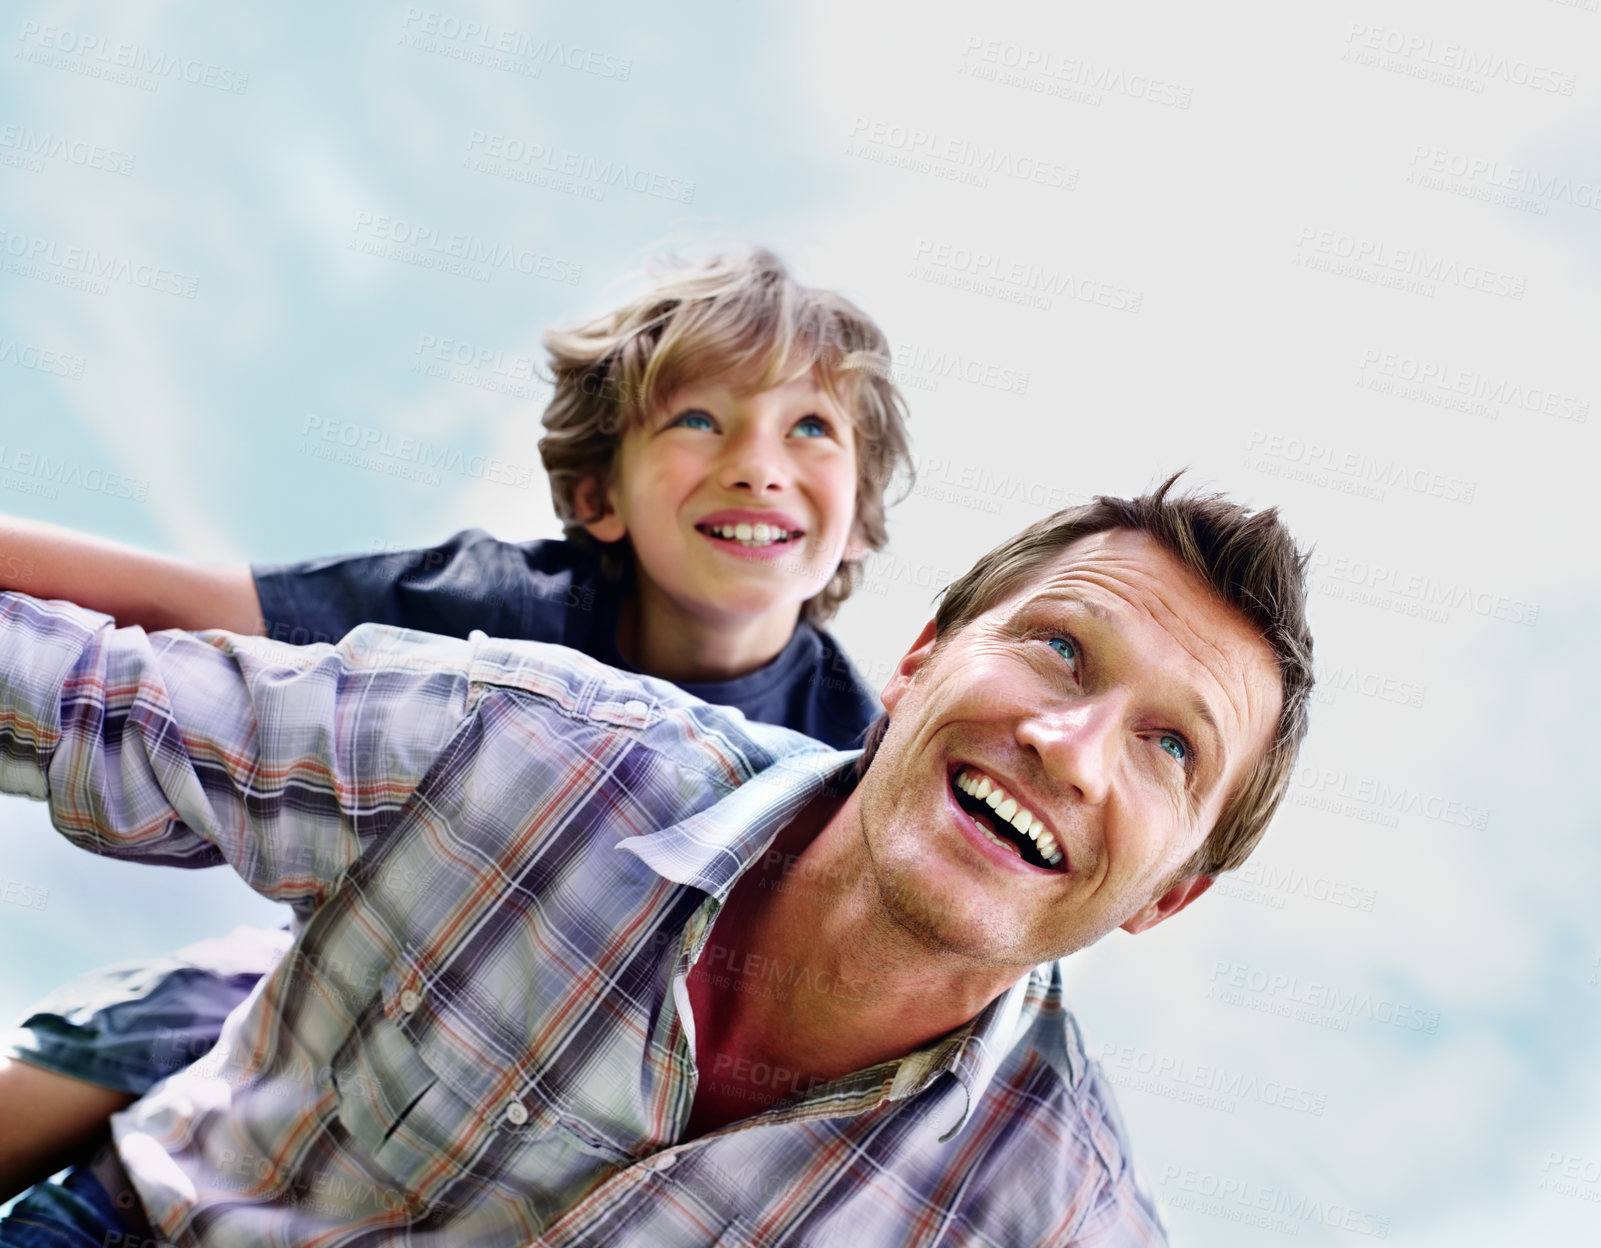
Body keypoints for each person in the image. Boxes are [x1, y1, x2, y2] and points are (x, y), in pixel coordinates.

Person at [0, 478, 1315, 1246]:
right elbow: (91, 700)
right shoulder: (529, 745)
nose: (1068, 746)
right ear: (917, 662)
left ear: (1171, 894)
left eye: (1168, 750)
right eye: (1059, 648)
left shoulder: (1049, 1216)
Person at [0, 247, 913, 1199]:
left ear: (852, 524)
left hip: (597, 1098)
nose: (758, 465)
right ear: (600, 496)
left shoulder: (853, 760)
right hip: (377, 990)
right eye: (697, 418)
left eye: (809, 427)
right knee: (186, 1009)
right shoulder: (503, 616)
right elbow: (183, 607)